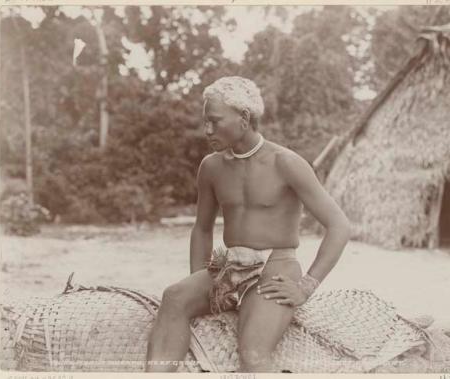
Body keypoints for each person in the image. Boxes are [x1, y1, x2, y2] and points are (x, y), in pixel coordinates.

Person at [145, 76, 351, 373]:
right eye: (205, 121)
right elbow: (202, 228)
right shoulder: (212, 167)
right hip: (229, 266)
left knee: (253, 352)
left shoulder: (286, 163)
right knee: (174, 297)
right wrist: (201, 282)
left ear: (244, 117)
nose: (207, 130)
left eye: (215, 121)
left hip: (274, 269)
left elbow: (339, 226)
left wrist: (306, 286)